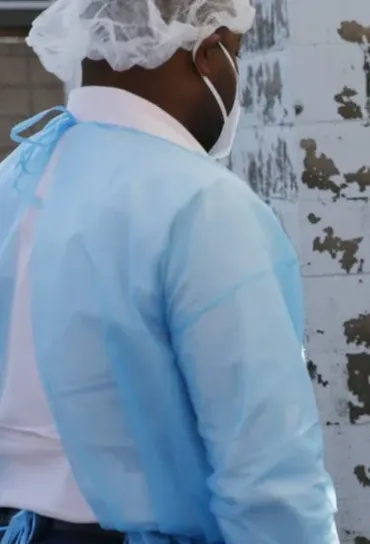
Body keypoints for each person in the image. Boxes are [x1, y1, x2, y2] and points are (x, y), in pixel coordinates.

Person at [0, 0, 338, 542]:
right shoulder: (202, 203)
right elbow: (270, 477)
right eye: (236, 54)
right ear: (208, 51)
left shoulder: (16, 179)